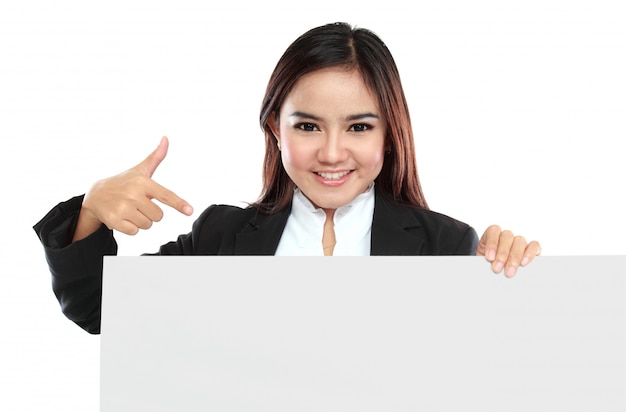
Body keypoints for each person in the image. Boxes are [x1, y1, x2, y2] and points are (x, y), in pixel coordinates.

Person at [34, 22, 541, 334]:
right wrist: (91, 209)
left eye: (359, 126)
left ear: (389, 135)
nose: (332, 152)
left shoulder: (445, 244)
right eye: (307, 126)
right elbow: (102, 310)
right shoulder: (222, 236)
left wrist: (508, 274)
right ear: (276, 130)